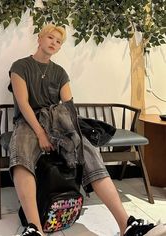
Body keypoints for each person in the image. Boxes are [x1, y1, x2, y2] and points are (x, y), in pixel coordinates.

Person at [8, 24, 157, 236]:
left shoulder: (60, 73)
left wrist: (73, 135)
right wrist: (41, 133)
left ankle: (127, 224)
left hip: (58, 120)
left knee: (88, 152)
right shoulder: (20, 66)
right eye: (50, 37)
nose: (53, 43)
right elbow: (23, 103)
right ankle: (34, 228)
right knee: (21, 152)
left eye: (58, 41)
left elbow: (68, 105)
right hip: (29, 120)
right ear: (40, 39)